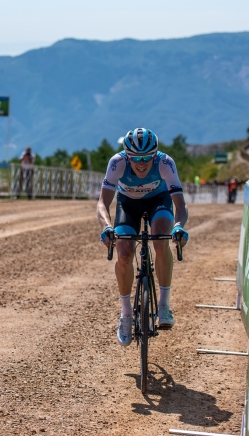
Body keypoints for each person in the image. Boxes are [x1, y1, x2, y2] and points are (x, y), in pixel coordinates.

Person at [96, 128, 189, 346]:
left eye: (147, 158)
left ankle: (164, 305)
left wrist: (178, 226)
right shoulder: (117, 162)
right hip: (128, 205)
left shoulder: (165, 163)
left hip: (159, 201)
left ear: (155, 155)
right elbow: (102, 203)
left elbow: (180, 205)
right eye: (135, 158)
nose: (141, 163)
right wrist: (107, 227)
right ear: (126, 156)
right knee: (125, 254)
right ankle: (126, 314)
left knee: (161, 239)